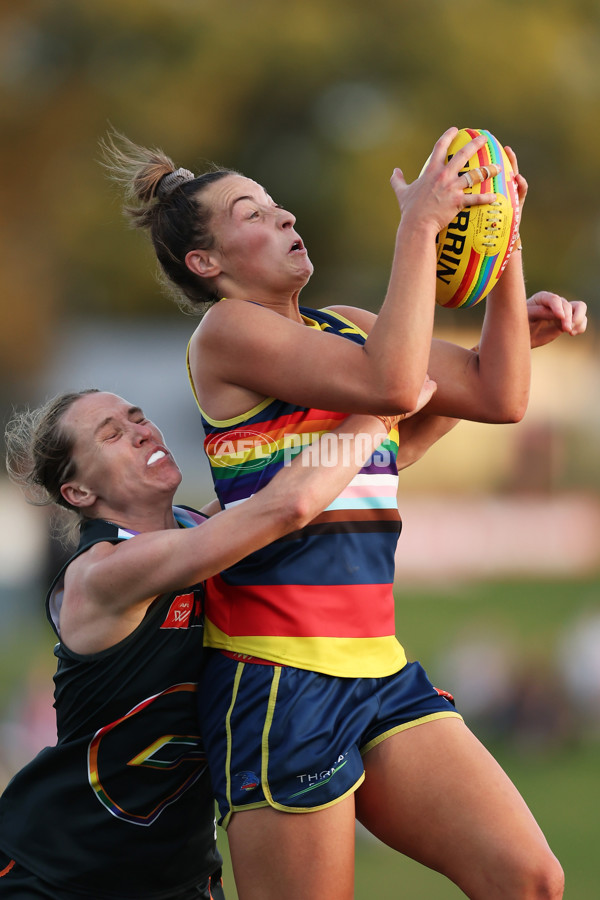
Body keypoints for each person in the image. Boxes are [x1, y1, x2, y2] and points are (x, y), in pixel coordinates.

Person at [102, 126, 587, 900]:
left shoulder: (351, 328)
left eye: (276, 205)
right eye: (251, 214)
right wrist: (420, 228)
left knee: (530, 879)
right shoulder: (226, 332)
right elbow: (395, 389)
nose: (285, 216)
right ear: (207, 264)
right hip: (279, 677)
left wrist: (503, 245)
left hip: (378, 668)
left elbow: (501, 393)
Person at [0, 389, 422, 899]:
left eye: (138, 416)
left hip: (179, 874)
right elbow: (286, 505)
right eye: (112, 434)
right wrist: (383, 407)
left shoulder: (198, 533)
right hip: (60, 876)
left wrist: (467, 376)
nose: (141, 430)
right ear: (78, 494)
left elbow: (340, 470)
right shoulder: (102, 573)